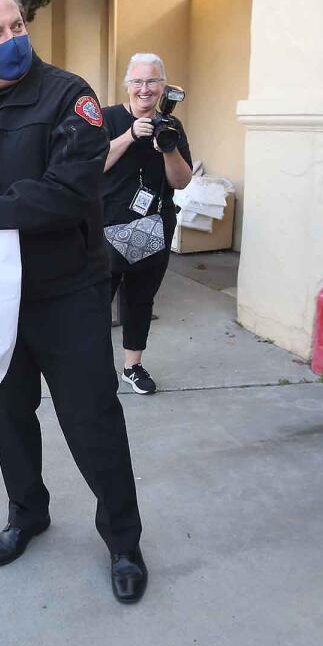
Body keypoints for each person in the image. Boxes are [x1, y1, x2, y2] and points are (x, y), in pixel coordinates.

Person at [0, 0, 148, 603]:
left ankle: (122, 537)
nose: (13, 39)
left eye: (17, 25)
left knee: (91, 418)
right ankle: (27, 513)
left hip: (66, 289)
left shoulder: (68, 97)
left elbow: (69, 192)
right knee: (9, 413)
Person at [101, 53, 194, 395]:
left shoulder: (171, 125)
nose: (145, 89)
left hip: (152, 227)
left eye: (153, 81)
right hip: (106, 227)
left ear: (163, 87)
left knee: (140, 298)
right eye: (138, 81)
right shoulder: (108, 119)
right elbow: (92, 166)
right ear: (127, 85)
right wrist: (128, 135)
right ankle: (93, 368)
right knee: (96, 302)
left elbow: (182, 181)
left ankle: (133, 366)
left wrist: (166, 147)